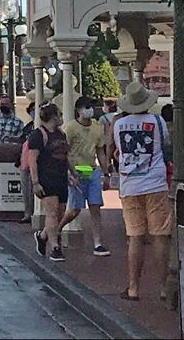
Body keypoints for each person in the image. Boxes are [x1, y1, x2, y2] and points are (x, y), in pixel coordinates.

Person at [112, 81, 171, 301]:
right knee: (160, 236)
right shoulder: (158, 121)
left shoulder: (119, 124)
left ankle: (133, 287)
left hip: (130, 185)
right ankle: (164, 287)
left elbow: (118, 149)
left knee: (135, 237)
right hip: (155, 183)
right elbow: (166, 146)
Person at [57, 97, 110, 256]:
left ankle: (98, 243)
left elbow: (100, 151)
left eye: (91, 107)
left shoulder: (97, 128)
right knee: (74, 210)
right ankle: (57, 230)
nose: (90, 110)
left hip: (91, 170)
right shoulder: (71, 128)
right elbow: (63, 150)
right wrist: (68, 173)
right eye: (87, 107)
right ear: (79, 110)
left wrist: (106, 173)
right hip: (76, 171)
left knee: (95, 207)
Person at [28, 102, 70, 262]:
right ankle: (55, 247)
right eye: (59, 114)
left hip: (61, 177)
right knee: (52, 213)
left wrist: (72, 174)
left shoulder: (60, 134)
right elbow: (32, 159)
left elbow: (65, 156)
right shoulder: (38, 135)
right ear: (53, 116)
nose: (61, 118)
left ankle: (43, 235)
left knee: (61, 213)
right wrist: (35, 182)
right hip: (47, 178)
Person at [17, 101, 36, 224]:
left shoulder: (43, 129)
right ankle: (27, 213)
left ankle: (36, 213)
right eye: (33, 111)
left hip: (39, 163)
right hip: (25, 162)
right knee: (26, 189)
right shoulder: (28, 127)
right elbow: (21, 140)